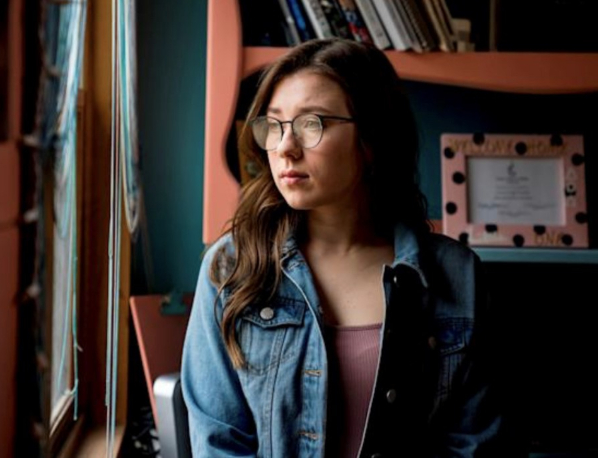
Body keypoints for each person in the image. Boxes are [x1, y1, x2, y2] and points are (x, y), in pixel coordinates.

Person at [181, 37, 513, 457]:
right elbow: (219, 443)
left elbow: (476, 445)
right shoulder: (232, 268)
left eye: (311, 123)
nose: (285, 147)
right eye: (275, 124)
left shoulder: (456, 277)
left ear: (371, 139)